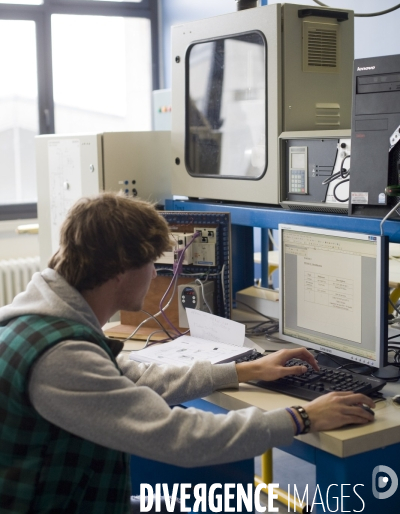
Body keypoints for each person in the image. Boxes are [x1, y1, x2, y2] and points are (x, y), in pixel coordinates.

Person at [0, 193, 375, 514]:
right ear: (118, 270)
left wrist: (245, 370)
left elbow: (137, 379)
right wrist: (301, 417)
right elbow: (179, 438)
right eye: (150, 262)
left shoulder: (44, 320)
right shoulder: (61, 357)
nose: (155, 272)